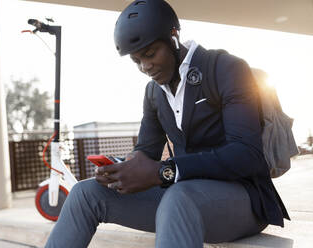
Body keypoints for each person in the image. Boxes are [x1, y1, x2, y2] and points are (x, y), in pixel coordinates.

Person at [45, 0, 290, 247]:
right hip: (183, 196)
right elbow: (146, 153)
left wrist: (166, 171)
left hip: (244, 200)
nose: (145, 66)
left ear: (173, 37)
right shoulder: (154, 92)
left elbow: (247, 155)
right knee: (84, 194)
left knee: (179, 196)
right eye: (136, 60)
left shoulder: (226, 68)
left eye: (150, 54)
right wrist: (121, 169)